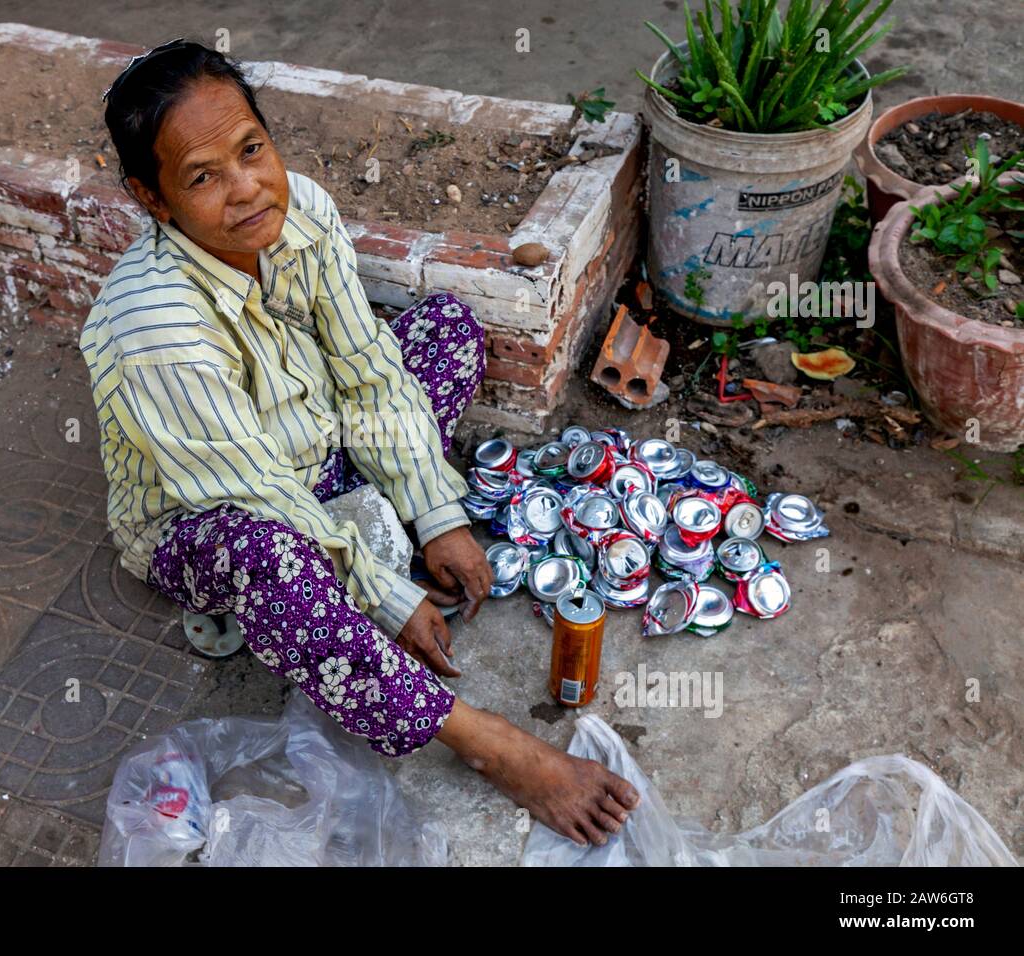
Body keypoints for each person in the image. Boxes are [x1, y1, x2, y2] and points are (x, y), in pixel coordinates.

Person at [81, 38, 639, 847]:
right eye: (203, 177)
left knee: (444, 329)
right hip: (210, 517)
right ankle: (488, 743)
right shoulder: (154, 328)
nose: (247, 191)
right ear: (152, 198)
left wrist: (436, 512)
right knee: (272, 559)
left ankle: (358, 554)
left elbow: (366, 368)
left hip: (313, 449)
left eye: (251, 150)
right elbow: (257, 495)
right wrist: (386, 593)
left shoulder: (297, 207)